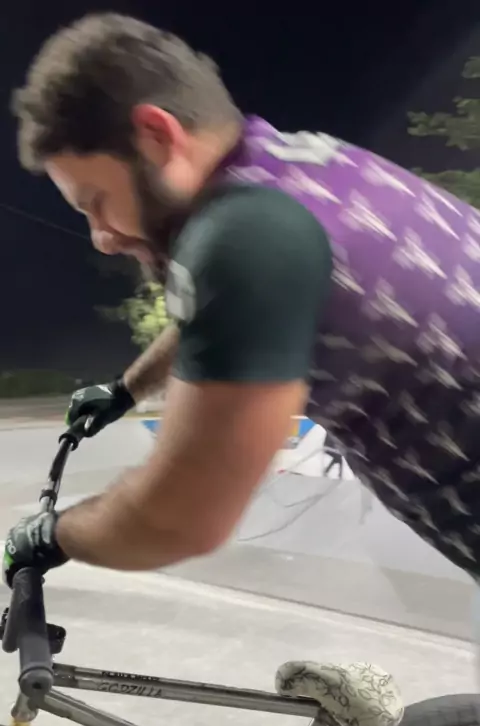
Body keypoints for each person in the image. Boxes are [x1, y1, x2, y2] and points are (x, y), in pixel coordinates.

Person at [4, 12, 480, 585]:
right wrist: (126, 389)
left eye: (95, 201)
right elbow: (217, 317)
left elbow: (177, 518)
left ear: (157, 136)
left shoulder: (242, 237)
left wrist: (53, 533)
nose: (102, 238)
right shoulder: (292, 171)